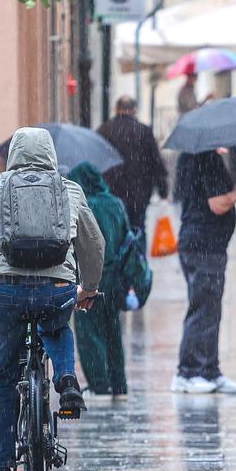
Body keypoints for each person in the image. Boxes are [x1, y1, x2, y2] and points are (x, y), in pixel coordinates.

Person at [0, 127, 105, 471]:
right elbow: (93, 243)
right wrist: (88, 287)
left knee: (0, 377)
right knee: (57, 325)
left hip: (7, 291)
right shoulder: (68, 189)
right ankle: (66, 379)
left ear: (13, 152)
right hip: (55, 288)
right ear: (50, 154)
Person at [171, 148, 236, 394]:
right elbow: (218, 205)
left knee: (210, 308)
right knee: (204, 308)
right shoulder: (206, 159)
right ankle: (188, 372)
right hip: (203, 245)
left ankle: (209, 370)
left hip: (205, 244)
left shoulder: (192, 157)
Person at [68, 162, 132, 399]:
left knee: (89, 333)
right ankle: (119, 383)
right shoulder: (116, 203)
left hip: (89, 277)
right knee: (113, 331)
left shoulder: (85, 206)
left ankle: (100, 384)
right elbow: (128, 239)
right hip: (115, 278)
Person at [96, 95, 169, 242]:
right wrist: (163, 189)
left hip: (111, 194)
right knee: (138, 231)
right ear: (134, 110)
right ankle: (138, 261)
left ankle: (119, 262)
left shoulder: (103, 131)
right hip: (138, 195)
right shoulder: (144, 131)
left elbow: (96, 162)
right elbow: (155, 163)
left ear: (116, 109)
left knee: (114, 234)